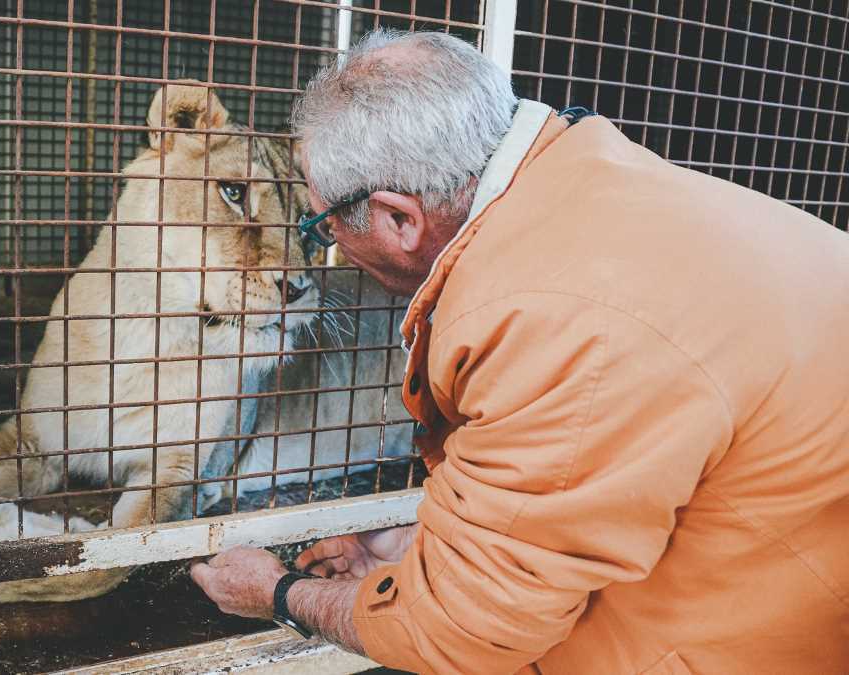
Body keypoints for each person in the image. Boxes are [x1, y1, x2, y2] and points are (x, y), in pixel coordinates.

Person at [189, 29, 849, 674]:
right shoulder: (602, 185)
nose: (321, 242)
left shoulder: (547, 319)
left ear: (399, 219)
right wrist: (422, 549)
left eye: (320, 222)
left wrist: (279, 593)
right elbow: (593, 484)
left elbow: (465, 630)